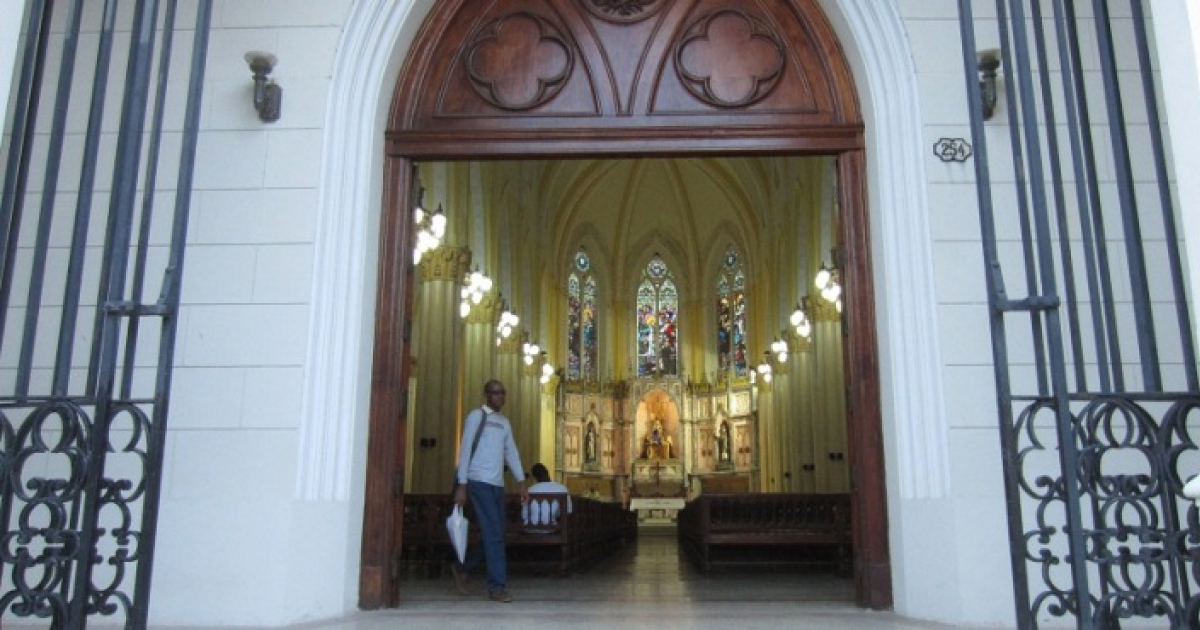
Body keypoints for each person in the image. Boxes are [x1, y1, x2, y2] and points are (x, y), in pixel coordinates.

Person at [452, 379, 529, 603]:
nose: (500, 397)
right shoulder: (476, 417)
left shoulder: (504, 423)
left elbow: (511, 451)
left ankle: (462, 568)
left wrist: (522, 482)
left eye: (503, 393)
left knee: (496, 533)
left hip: (497, 485)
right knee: (494, 533)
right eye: (496, 393)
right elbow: (465, 450)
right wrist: (462, 484)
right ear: (487, 395)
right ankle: (497, 587)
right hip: (478, 481)